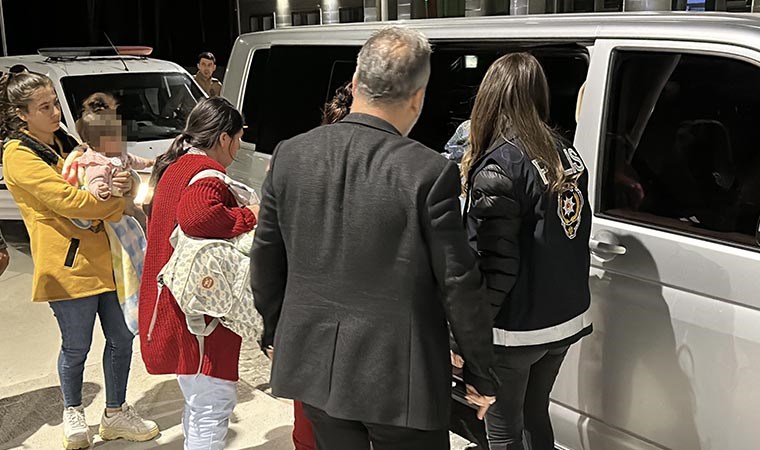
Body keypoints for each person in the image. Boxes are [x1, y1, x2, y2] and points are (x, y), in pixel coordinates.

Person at [251, 26, 498, 450]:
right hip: (401, 381)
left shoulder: (291, 154)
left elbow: (266, 261)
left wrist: (274, 332)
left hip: (314, 368)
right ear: (418, 97)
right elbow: (458, 281)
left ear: (354, 83)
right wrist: (479, 369)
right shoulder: (428, 171)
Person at [0, 71, 158, 450]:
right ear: (22, 114)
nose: (56, 112)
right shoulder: (18, 155)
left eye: (55, 103)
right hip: (68, 266)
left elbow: (117, 170)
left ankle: (115, 412)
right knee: (76, 347)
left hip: (110, 259)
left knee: (122, 337)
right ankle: (74, 411)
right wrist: (120, 204)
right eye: (45, 107)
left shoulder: (68, 140)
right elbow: (68, 201)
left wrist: (128, 184)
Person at [459, 53, 593, 450]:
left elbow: (493, 263)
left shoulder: (501, 162)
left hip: (516, 326)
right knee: (536, 413)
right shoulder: (564, 151)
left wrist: (466, 335)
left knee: (503, 431)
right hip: (564, 315)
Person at [139, 97, 258, 450]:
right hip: (199, 315)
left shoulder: (175, 166)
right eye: (238, 138)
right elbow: (198, 217)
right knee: (212, 405)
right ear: (223, 138)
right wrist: (250, 215)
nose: (239, 147)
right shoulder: (206, 174)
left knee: (198, 403)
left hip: (175, 304)